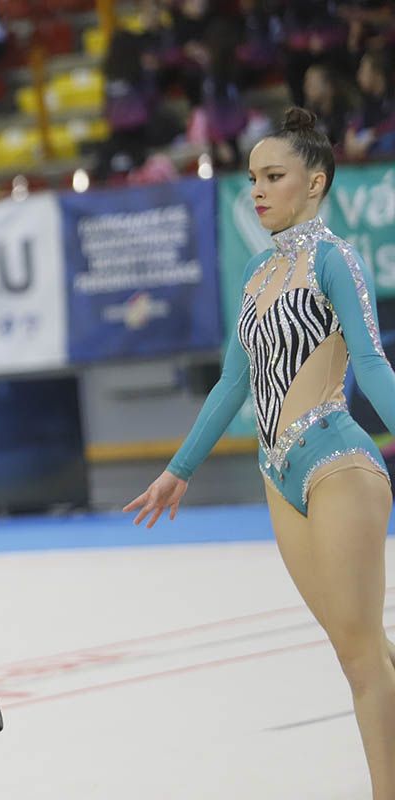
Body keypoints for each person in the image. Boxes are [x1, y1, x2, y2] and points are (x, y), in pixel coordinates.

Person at [125, 108, 395, 800]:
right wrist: (178, 469)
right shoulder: (253, 271)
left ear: (316, 181)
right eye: (252, 179)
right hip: (277, 475)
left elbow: (372, 364)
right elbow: (232, 382)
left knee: (364, 657)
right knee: (354, 649)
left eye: (274, 177)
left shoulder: (336, 259)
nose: (258, 190)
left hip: (337, 461)